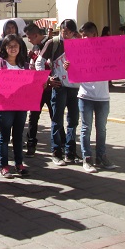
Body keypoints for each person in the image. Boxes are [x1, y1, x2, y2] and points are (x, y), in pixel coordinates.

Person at [69, 22, 125, 173]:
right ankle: (87, 158)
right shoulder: (78, 51)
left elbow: (118, 63)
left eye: (86, 36)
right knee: (85, 128)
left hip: (103, 97)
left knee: (101, 129)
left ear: (95, 35)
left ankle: (101, 156)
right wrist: (68, 67)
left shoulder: (106, 49)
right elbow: (73, 73)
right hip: (85, 96)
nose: (83, 39)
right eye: (81, 36)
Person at [36, 19, 81, 165]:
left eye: (69, 32)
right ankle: (56, 152)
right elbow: (38, 62)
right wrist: (47, 78)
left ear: (74, 32)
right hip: (59, 86)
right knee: (57, 120)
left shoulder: (78, 43)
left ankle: (70, 151)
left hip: (75, 87)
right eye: (64, 31)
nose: (66, 34)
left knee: (73, 120)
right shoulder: (53, 43)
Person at [0, 34, 30, 178]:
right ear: (4, 48)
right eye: (10, 46)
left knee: (18, 136)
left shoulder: (24, 65)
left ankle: (19, 163)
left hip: (21, 105)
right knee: (4, 136)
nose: (13, 49)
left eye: (15, 46)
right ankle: (4, 165)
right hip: (4, 106)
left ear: (20, 47)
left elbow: (31, 83)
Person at [24, 23, 56, 157]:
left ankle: (60, 145)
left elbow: (51, 64)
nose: (29, 40)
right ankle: (31, 144)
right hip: (37, 87)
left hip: (50, 87)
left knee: (55, 116)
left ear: (36, 35)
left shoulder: (51, 45)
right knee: (33, 117)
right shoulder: (36, 46)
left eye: (29, 37)